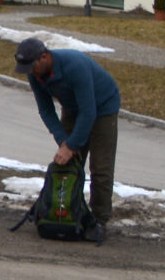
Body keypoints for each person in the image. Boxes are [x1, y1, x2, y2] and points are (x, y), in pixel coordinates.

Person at [18, 36, 120, 241]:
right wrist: (63, 140)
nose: (30, 72)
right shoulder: (35, 74)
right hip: (73, 109)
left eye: (31, 66)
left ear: (44, 56)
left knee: (100, 168)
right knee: (69, 165)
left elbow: (89, 112)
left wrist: (72, 145)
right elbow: (46, 110)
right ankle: (69, 212)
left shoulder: (75, 66)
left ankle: (99, 220)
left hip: (102, 108)